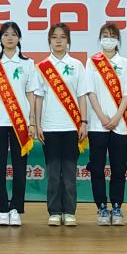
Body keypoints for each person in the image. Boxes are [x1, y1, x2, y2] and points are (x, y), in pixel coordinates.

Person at [32, 23, 90, 227]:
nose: (58, 40)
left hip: (72, 127)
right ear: (49, 41)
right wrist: (37, 124)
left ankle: (70, 211)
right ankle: (55, 211)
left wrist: (83, 121)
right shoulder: (42, 67)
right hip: (49, 127)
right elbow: (38, 98)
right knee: (53, 173)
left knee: (70, 172)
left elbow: (82, 96)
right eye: (54, 37)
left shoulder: (77, 65)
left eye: (62, 37)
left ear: (68, 41)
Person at [86, 22, 127, 226]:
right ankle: (101, 207)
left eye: (112, 35)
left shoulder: (124, 63)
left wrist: (116, 118)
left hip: (120, 124)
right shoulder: (92, 62)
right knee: (97, 167)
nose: (108, 39)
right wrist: (101, 116)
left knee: (118, 167)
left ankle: (117, 206)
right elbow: (90, 92)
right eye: (105, 35)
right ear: (100, 39)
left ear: (118, 40)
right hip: (97, 124)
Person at [0, 21, 35, 226]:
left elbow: (31, 94)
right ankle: (2, 209)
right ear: (0, 39)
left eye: (13, 34)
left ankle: (16, 208)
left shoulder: (28, 64)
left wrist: (32, 121)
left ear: (19, 38)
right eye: (6, 34)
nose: (10, 37)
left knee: (20, 167)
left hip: (20, 123)